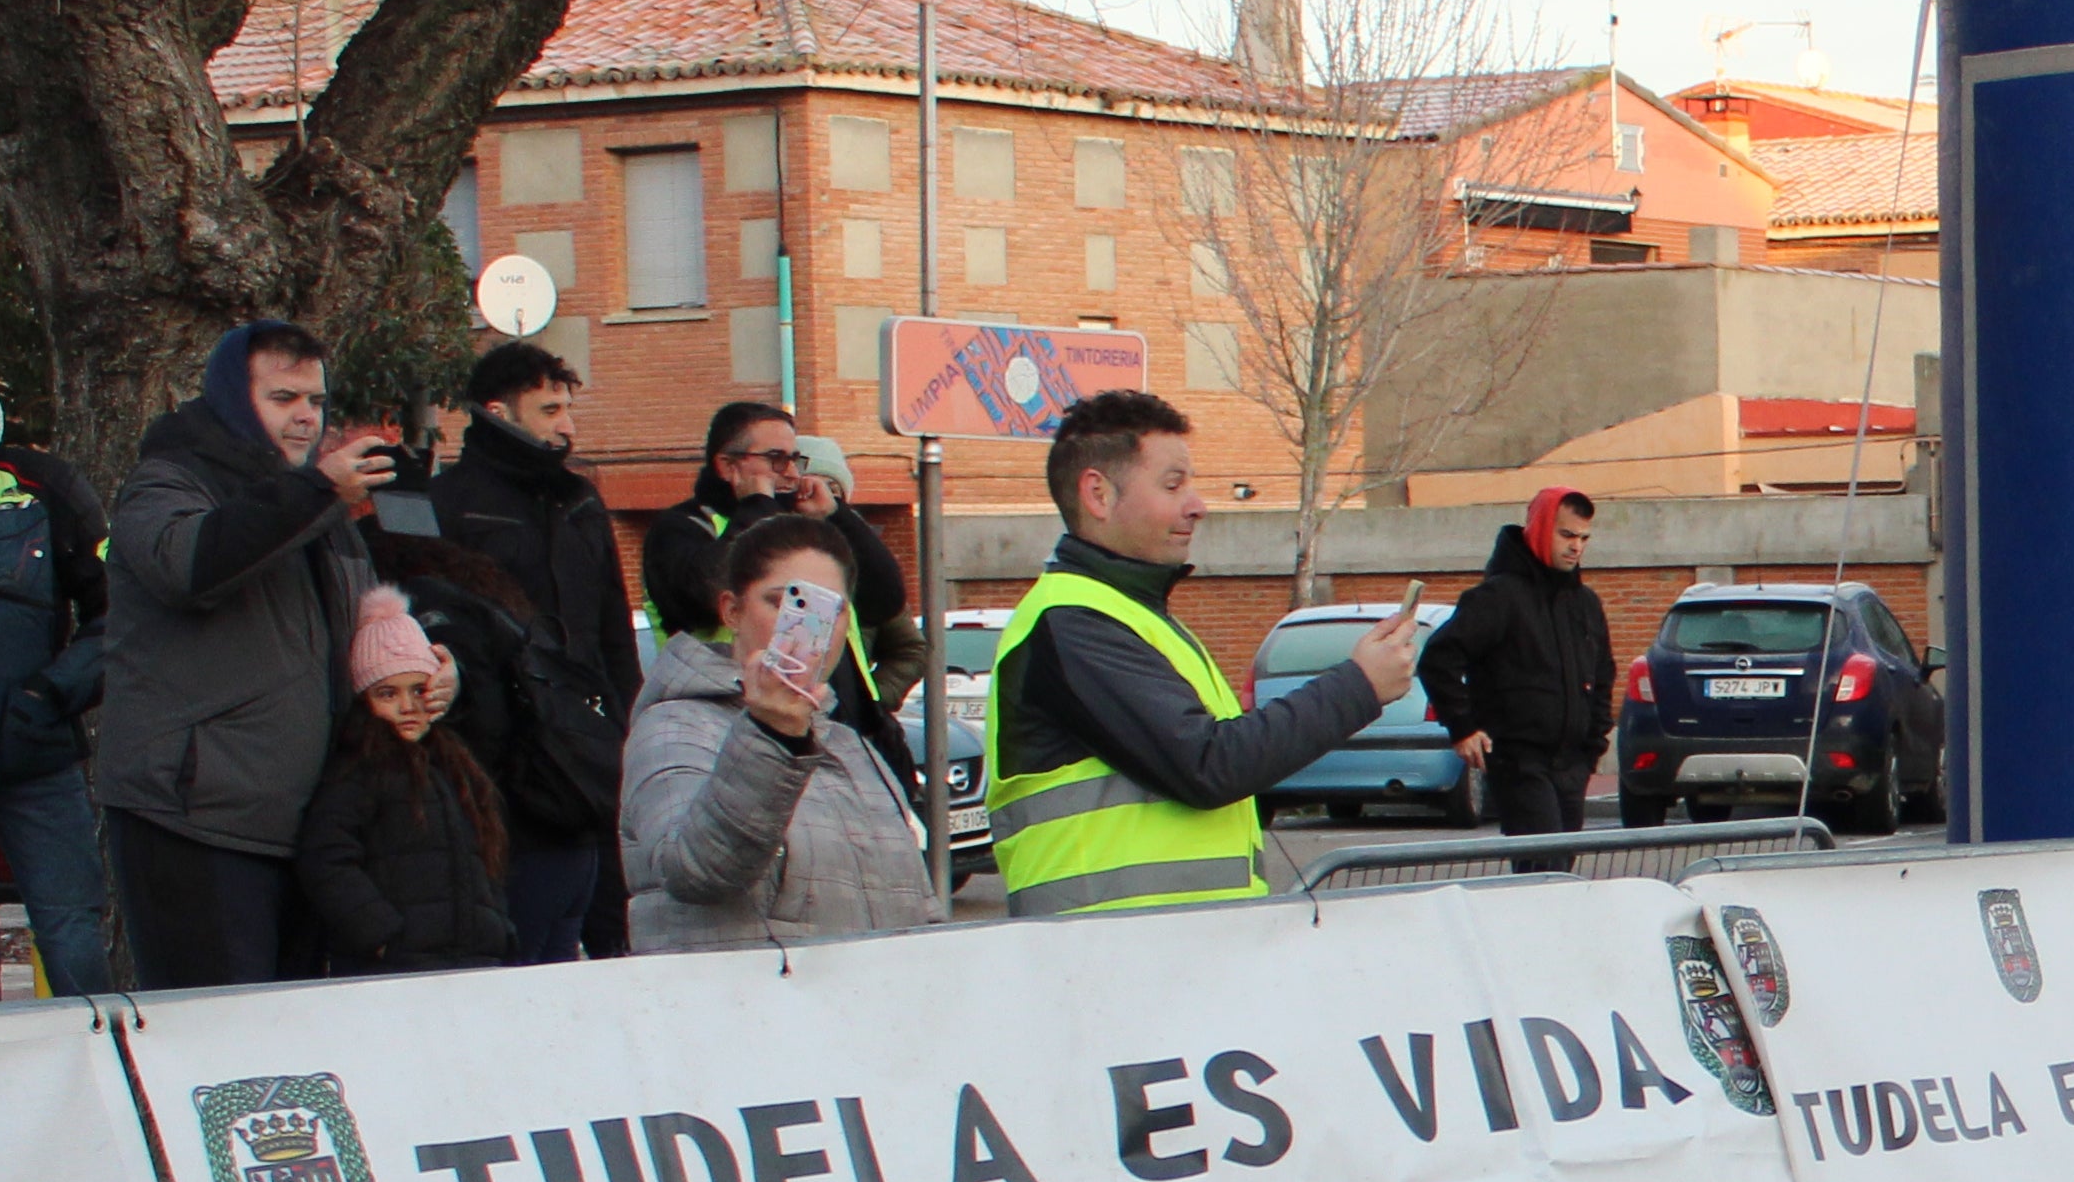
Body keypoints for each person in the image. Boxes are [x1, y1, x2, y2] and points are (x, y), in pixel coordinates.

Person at [982, 390, 1417, 916]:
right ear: (1097, 495)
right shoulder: (1073, 623)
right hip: (1108, 956)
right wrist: (1358, 686)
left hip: (1161, 951)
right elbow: (1210, 763)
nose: (1198, 505)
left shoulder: (1127, 614)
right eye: (1173, 484)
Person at [99, 319, 394, 986]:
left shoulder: (318, 504)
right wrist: (317, 492)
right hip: (196, 822)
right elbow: (192, 566)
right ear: (235, 398)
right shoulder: (167, 479)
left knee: (280, 1048)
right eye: (283, 398)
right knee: (214, 1047)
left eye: (315, 403)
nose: (304, 418)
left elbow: (367, 619)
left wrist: (428, 666)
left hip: (303, 825)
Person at [625, 509, 949, 948]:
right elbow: (697, 870)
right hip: (742, 1003)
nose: (803, 629)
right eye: (782, 602)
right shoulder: (675, 725)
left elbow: (913, 900)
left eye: (827, 611)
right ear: (732, 610)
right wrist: (771, 736)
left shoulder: (850, 744)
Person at [420, 340, 638, 959]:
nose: (565, 426)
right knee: (525, 938)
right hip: (497, 756)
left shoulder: (580, 500)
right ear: (498, 410)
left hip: (588, 751)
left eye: (567, 409)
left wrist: (627, 724)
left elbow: (613, 629)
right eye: (548, 410)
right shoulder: (449, 502)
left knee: (608, 933)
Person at [0, 338, 120, 1002]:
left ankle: (107, 1090)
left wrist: (50, 695)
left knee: (73, 937)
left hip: (38, 752)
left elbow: (122, 610)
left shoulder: (41, 483)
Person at [645, 398, 922, 785]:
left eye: (795, 459)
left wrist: (837, 515)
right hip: (741, 725)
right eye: (776, 459)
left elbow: (884, 598)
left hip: (843, 726)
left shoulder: (803, 529)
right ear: (728, 466)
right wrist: (756, 504)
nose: (790, 473)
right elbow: (702, 591)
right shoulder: (684, 527)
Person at [293, 600, 516, 975]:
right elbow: (326, 857)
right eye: (387, 694)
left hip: (474, 960)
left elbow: (486, 859)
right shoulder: (358, 770)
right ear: (363, 700)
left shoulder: (454, 765)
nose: (407, 706)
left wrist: (498, 930)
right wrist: (380, 936)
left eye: (418, 689)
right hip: (398, 968)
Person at [1418, 485, 1617, 873]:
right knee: (1542, 870)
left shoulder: (1585, 603)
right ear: (1541, 529)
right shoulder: (1498, 597)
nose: (1576, 547)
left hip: (1571, 763)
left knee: (1560, 871)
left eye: (1583, 538)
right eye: (1567, 535)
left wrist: (1593, 745)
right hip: (1519, 761)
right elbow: (1439, 658)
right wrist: (1463, 727)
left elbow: (1603, 674)